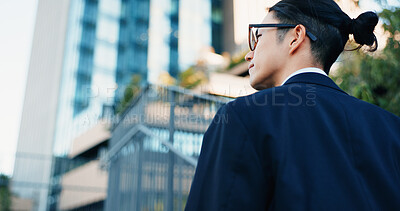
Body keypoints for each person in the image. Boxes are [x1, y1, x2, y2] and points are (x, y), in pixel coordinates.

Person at [185, 0, 400, 210]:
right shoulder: (391, 128)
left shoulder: (243, 116)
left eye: (257, 38)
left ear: (296, 36)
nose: (249, 54)